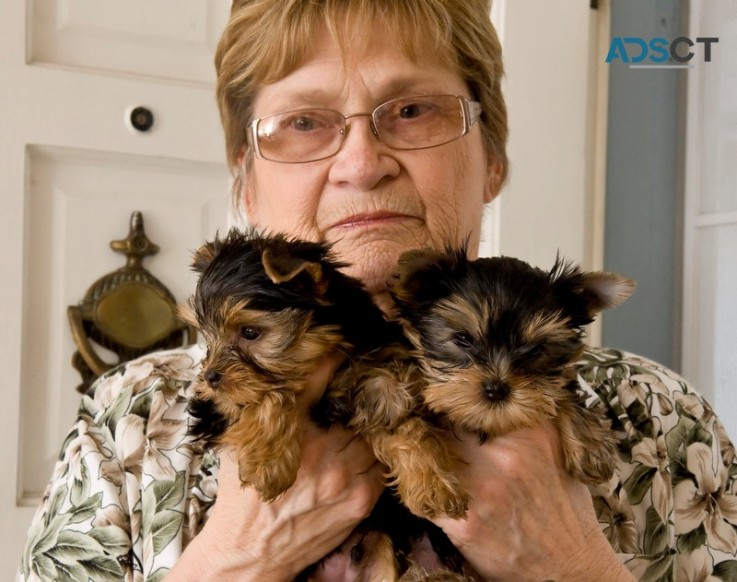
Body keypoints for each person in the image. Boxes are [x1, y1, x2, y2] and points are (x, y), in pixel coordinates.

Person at [19, 1, 737, 580]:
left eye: (413, 111)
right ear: (243, 177)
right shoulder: (132, 420)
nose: (361, 164)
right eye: (303, 122)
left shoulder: (656, 415)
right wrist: (235, 560)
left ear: (491, 160)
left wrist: (571, 566)